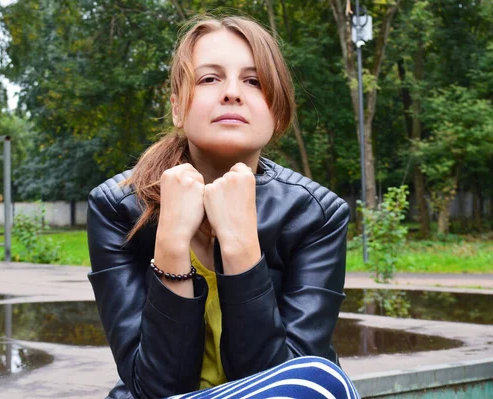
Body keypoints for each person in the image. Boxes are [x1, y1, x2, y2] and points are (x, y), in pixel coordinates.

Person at [87, 14, 360, 399]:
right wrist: (171, 246)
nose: (232, 93)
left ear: (277, 113)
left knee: (320, 380)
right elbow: (155, 388)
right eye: (209, 78)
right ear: (177, 109)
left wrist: (240, 247)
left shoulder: (316, 215)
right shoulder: (117, 207)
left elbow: (285, 386)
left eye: (253, 81)